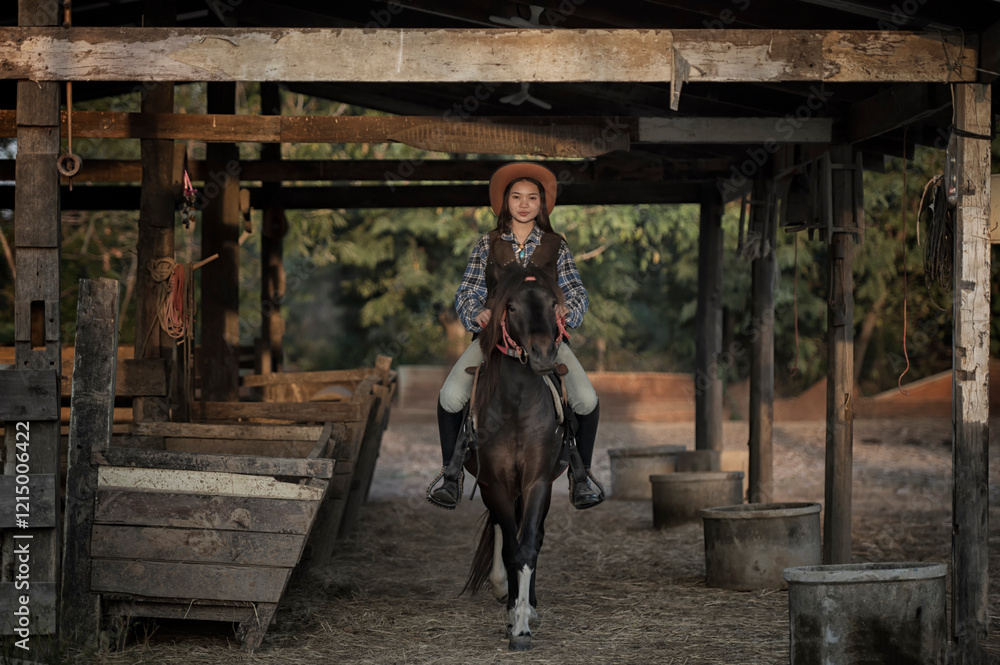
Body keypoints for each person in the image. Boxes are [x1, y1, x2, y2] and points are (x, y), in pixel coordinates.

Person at [427, 162, 603, 510]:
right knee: (449, 397)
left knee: (586, 399)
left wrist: (569, 311)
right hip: (495, 341)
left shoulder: (556, 246)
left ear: (542, 204)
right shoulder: (487, 244)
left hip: (545, 342)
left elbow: (577, 292)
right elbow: (467, 292)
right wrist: (476, 313)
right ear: (505, 202)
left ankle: (580, 476)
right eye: (517, 197)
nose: (524, 204)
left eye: (532, 198)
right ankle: (452, 474)